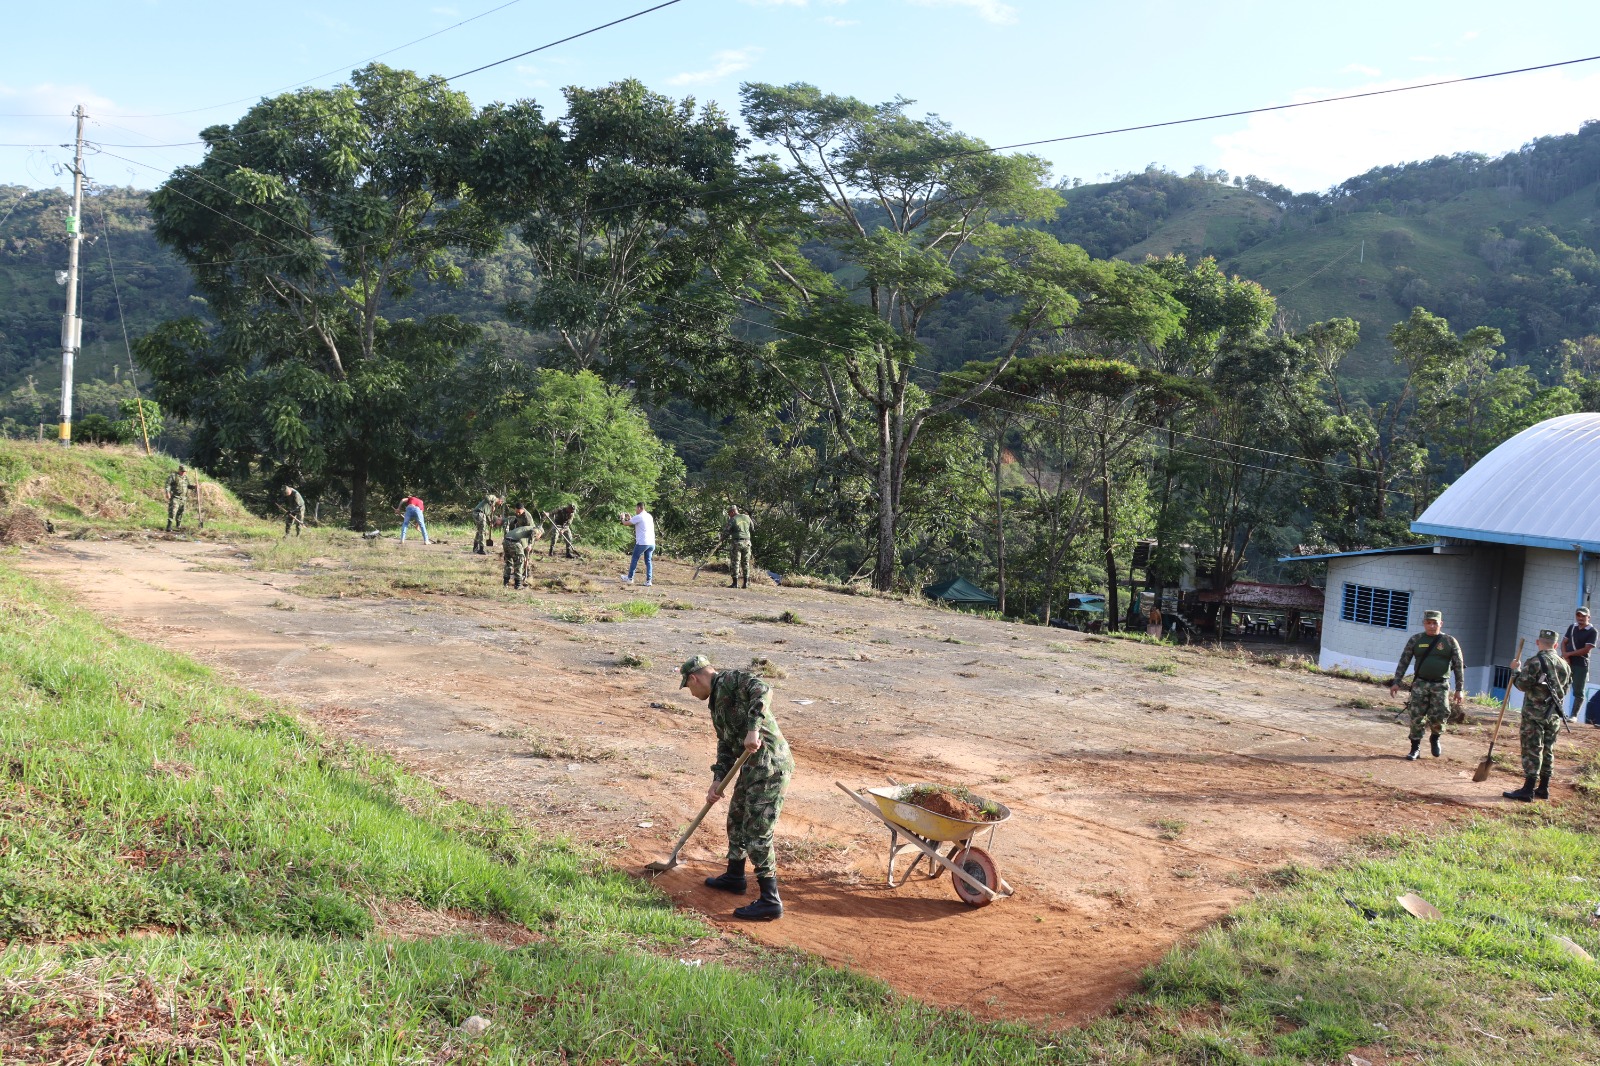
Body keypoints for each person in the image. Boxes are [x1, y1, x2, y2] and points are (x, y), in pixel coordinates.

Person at [680, 654, 794, 921]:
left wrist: (753, 729)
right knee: (736, 819)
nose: (691, 692)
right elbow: (725, 744)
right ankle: (735, 876)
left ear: (694, 678)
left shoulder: (730, 680)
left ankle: (770, 901)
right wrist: (717, 780)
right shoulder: (716, 703)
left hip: (770, 766)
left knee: (757, 830)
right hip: (751, 767)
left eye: (688, 686)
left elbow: (763, 690)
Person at [1504, 629, 1572, 801]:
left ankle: (1528, 789)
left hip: (1534, 715)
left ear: (1538, 642)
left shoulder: (1535, 662)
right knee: (1548, 749)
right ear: (1556, 645)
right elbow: (1565, 690)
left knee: (1532, 749)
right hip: (1554, 714)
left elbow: (1521, 685)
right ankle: (1543, 788)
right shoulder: (1564, 665)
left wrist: (1515, 671)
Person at [1388, 609, 1465, 761]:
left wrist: (1459, 689)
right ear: (1424, 623)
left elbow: (1458, 665)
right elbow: (1404, 660)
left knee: (1440, 714)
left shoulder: (1449, 641)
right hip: (1420, 684)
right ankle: (1415, 748)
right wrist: (1396, 682)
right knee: (1416, 715)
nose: (1431, 626)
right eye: (1428, 623)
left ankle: (1435, 737)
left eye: (1434, 623)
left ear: (1441, 624)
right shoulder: (1416, 640)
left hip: (1440, 685)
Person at [1560, 606, 1595, 721]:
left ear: (1588, 617)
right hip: (1567, 662)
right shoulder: (1572, 627)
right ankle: (1558, 711)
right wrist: (1565, 655)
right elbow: (1564, 642)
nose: (1580, 618)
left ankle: (1574, 715)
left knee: (1579, 691)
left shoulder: (1592, 631)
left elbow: (1586, 649)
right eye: (1578, 615)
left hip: (1581, 664)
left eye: (1583, 616)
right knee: (1560, 686)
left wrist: (1569, 655)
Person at [619, 502, 655, 586]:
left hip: (642, 542)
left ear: (639, 508)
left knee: (634, 558)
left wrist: (622, 518)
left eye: (636, 508)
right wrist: (630, 518)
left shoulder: (639, 516)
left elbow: (626, 523)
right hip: (651, 543)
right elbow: (637, 522)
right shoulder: (649, 516)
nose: (635, 510)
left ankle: (630, 578)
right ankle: (649, 581)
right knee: (648, 561)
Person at [502, 504, 536, 589]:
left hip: (508, 539)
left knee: (509, 561)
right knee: (519, 562)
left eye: (519, 512)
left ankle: (506, 582)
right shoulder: (518, 515)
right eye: (516, 511)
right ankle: (518, 584)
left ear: (523, 510)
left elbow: (532, 533)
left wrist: (529, 545)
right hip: (516, 540)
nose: (517, 513)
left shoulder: (527, 518)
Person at [722, 505, 755, 589]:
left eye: (729, 513)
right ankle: (745, 583)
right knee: (746, 563)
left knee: (735, 562)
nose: (729, 515)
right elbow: (752, 528)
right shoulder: (747, 517)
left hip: (737, 542)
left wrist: (722, 538)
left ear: (733, 511)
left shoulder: (733, 519)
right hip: (747, 542)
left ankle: (735, 583)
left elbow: (726, 531)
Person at [164, 465, 192, 533]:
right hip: (175, 497)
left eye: (184, 472)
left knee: (181, 512)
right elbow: (167, 484)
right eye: (182, 471)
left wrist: (194, 487)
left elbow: (188, 486)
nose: (183, 473)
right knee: (173, 511)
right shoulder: (173, 476)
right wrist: (168, 492)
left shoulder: (185, 478)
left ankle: (178, 525)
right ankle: (169, 526)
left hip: (183, 498)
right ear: (179, 470)